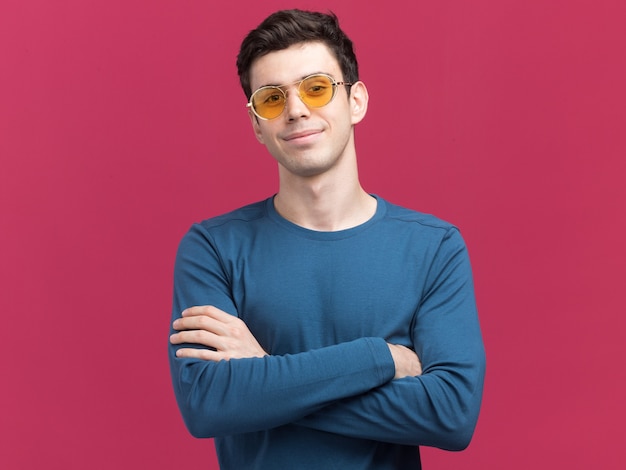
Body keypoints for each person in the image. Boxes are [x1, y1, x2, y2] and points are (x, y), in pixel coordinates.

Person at [168, 9, 485, 470]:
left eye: (316, 88)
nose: (296, 110)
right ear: (258, 124)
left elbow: (451, 415)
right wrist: (380, 358)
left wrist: (264, 377)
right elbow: (209, 405)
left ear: (356, 101)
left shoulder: (434, 249)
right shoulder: (213, 248)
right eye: (272, 99)